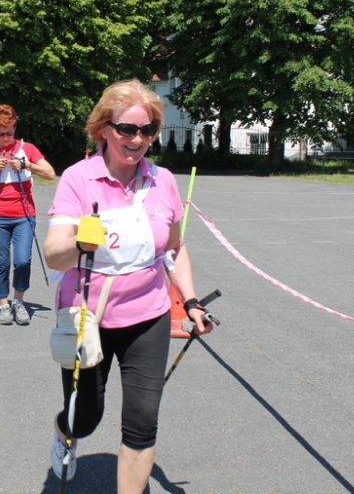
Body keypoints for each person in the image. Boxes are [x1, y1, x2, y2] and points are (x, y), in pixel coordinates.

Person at [43, 79, 214, 492]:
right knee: (86, 417)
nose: (137, 139)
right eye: (126, 129)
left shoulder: (164, 181)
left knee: (141, 421)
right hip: (88, 318)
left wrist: (190, 301)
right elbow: (53, 253)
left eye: (147, 130)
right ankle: (65, 430)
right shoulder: (78, 179)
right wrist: (81, 241)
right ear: (104, 128)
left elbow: (174, 248)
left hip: (148, 317)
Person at [0, 104, 56, 325]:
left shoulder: (27, 149)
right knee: (1, 263)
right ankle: (3, 305)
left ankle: (19, 301)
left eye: (9, 132)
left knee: (22, 260)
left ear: (15, 127)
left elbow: (50, 174)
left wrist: (27, 164)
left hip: (24, 214)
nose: (6, 137)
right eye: (0, 133)